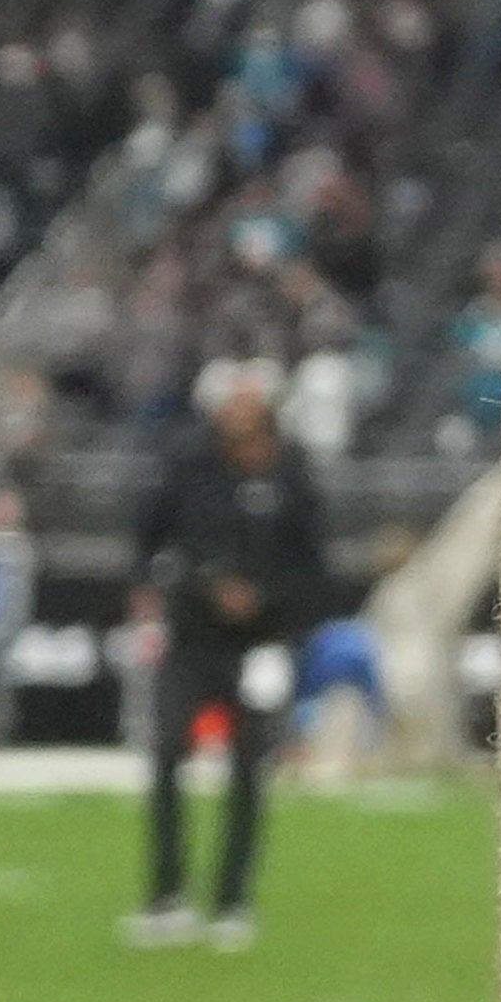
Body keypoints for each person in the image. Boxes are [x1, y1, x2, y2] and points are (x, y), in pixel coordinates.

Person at [123, 370, 332, 952]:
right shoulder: (190, 470)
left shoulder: (292, 478)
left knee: (249, 771)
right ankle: (165, 896)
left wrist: (266, 602)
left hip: (260, 645)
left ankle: (233, 899)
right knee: (166, 758)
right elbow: (149, 539)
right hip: (191, 638)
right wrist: (178, 586)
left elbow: (313, 566)